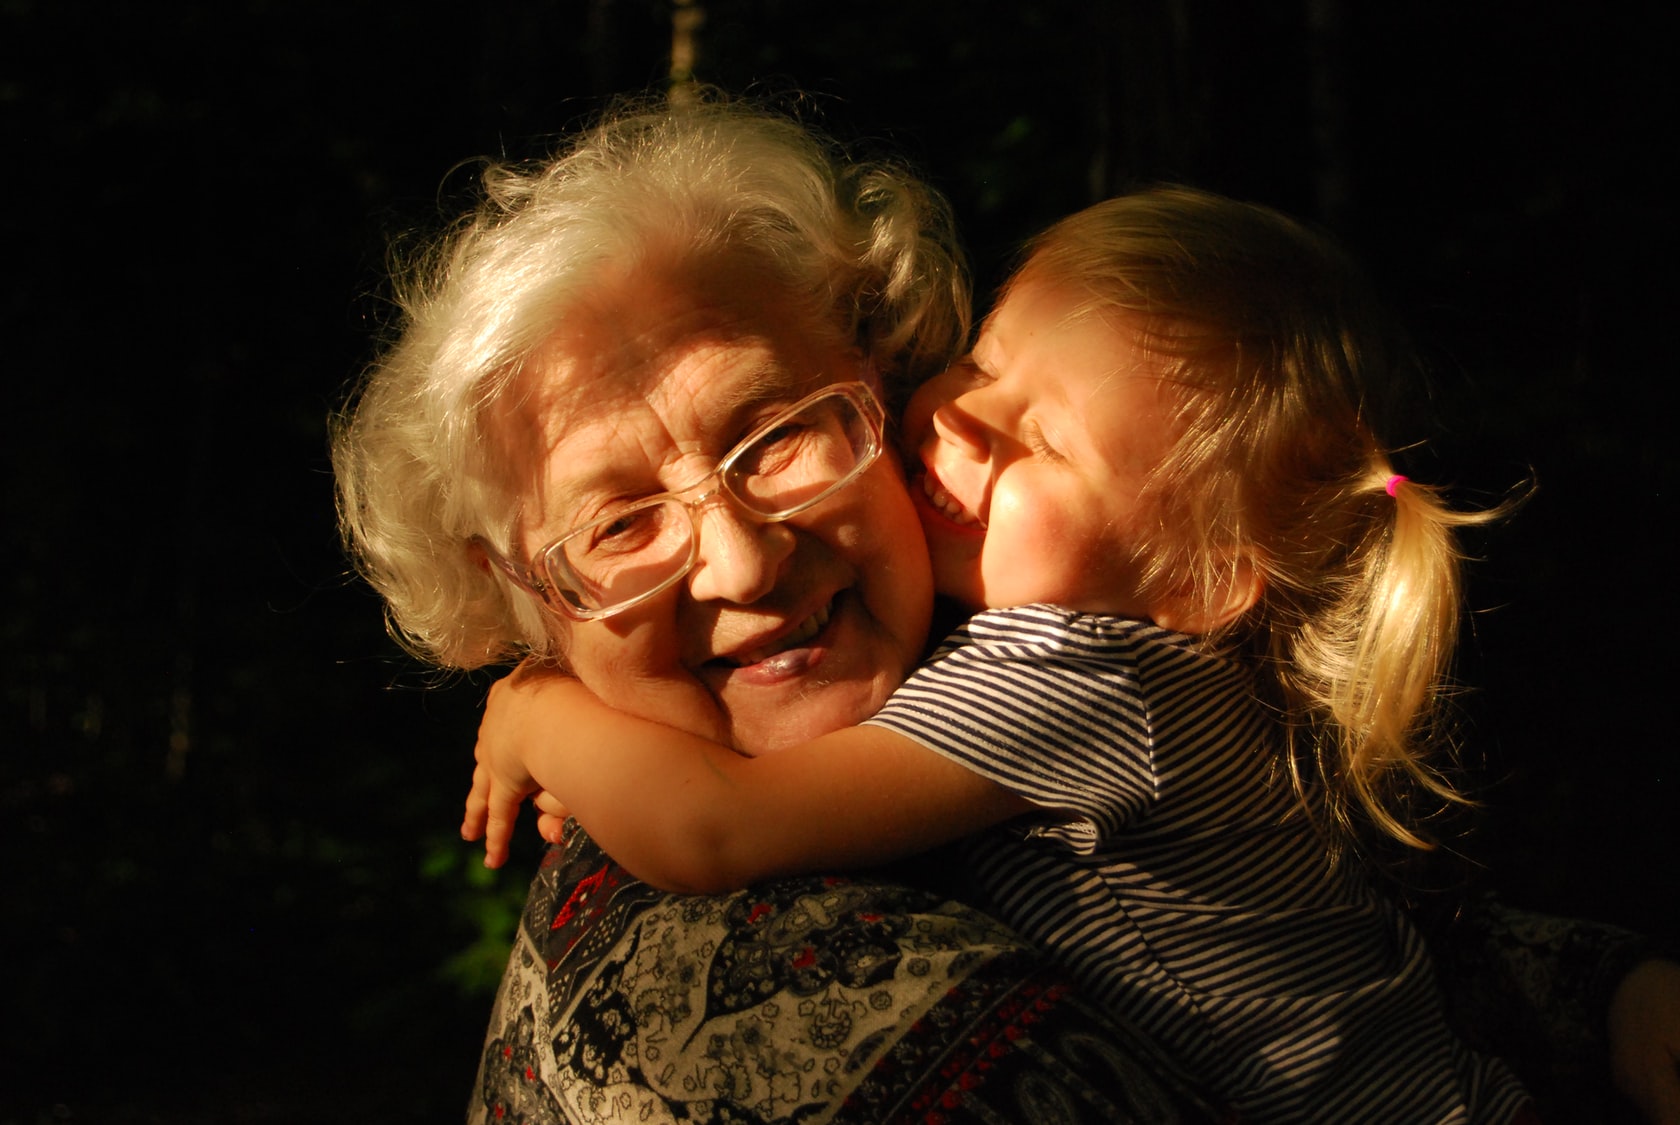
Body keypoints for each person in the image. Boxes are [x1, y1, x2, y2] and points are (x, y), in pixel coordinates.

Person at [332, 91, 1680, 1124]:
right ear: (517, 598)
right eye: (618, 522)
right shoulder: (734, 1007)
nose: (742, 564)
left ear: (870, 373)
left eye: (779, 434)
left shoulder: (1056, 667)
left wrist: (538, 711)